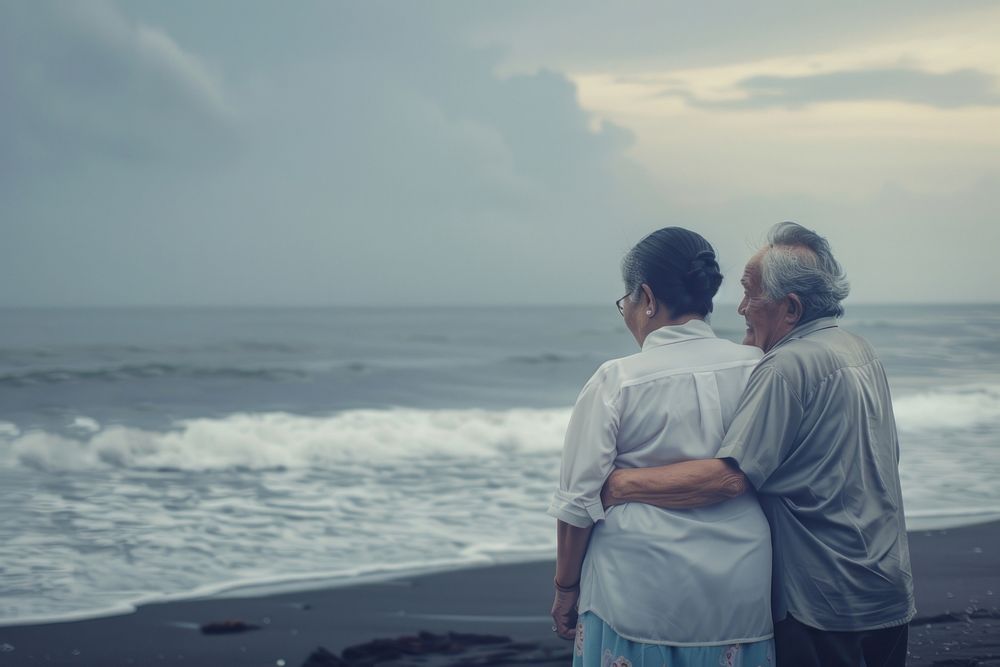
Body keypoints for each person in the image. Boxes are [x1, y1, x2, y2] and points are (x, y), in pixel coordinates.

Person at [602, 222, 915, 667]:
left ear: (790, 308)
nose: (741, 308)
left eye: (751, 294)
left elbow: (727, 480)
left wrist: (619, 485)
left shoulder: (785, 367)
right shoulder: (857, 349)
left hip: (821, 599)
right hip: (885, 584)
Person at [548, 227, 774, 667]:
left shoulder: (617, 380)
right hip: (741, 587)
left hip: (637, 592)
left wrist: (565, 589)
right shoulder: (760, 369)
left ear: (647, 298)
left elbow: (577, 505)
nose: (627, 313)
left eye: (626, 301)